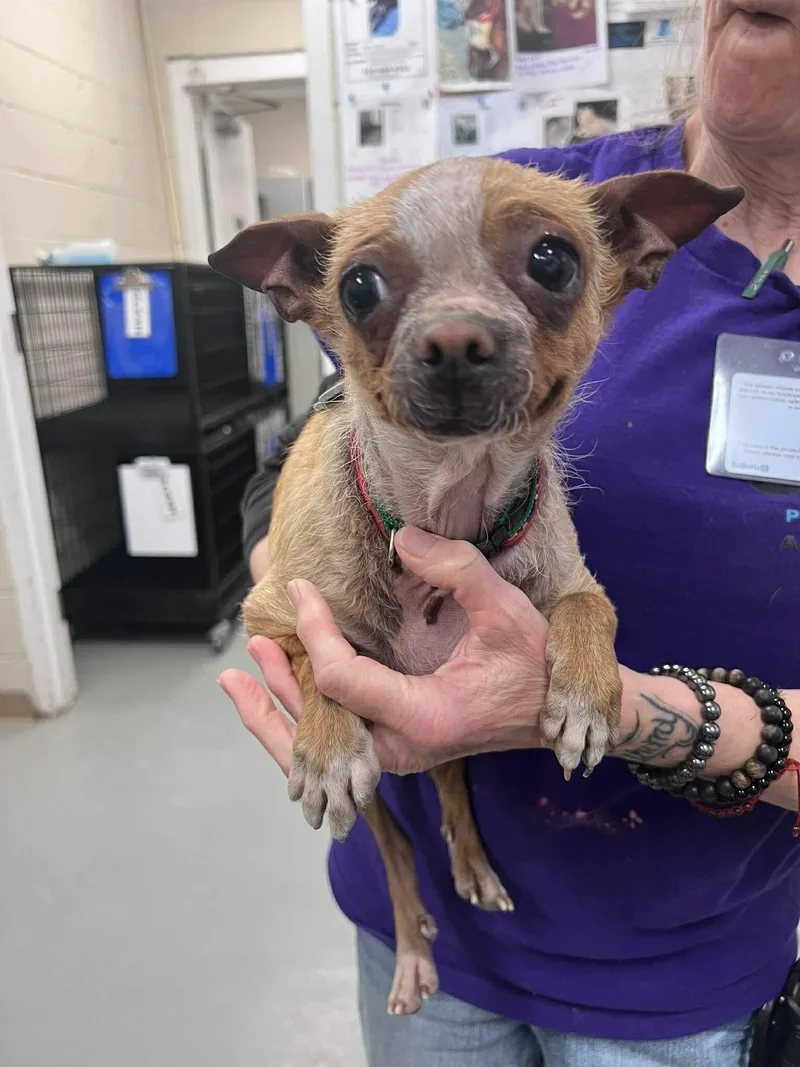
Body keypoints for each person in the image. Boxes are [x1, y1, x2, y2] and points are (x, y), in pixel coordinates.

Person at [219, 0, 800, 1061]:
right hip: (429, 930)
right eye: (370, 289)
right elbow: (299, 458)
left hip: (684, 964)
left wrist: (624, 706)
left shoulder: (583, 217)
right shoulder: (506, 189)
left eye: (542, 269)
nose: (452, 331)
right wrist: (319, 632)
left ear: (634, 252)